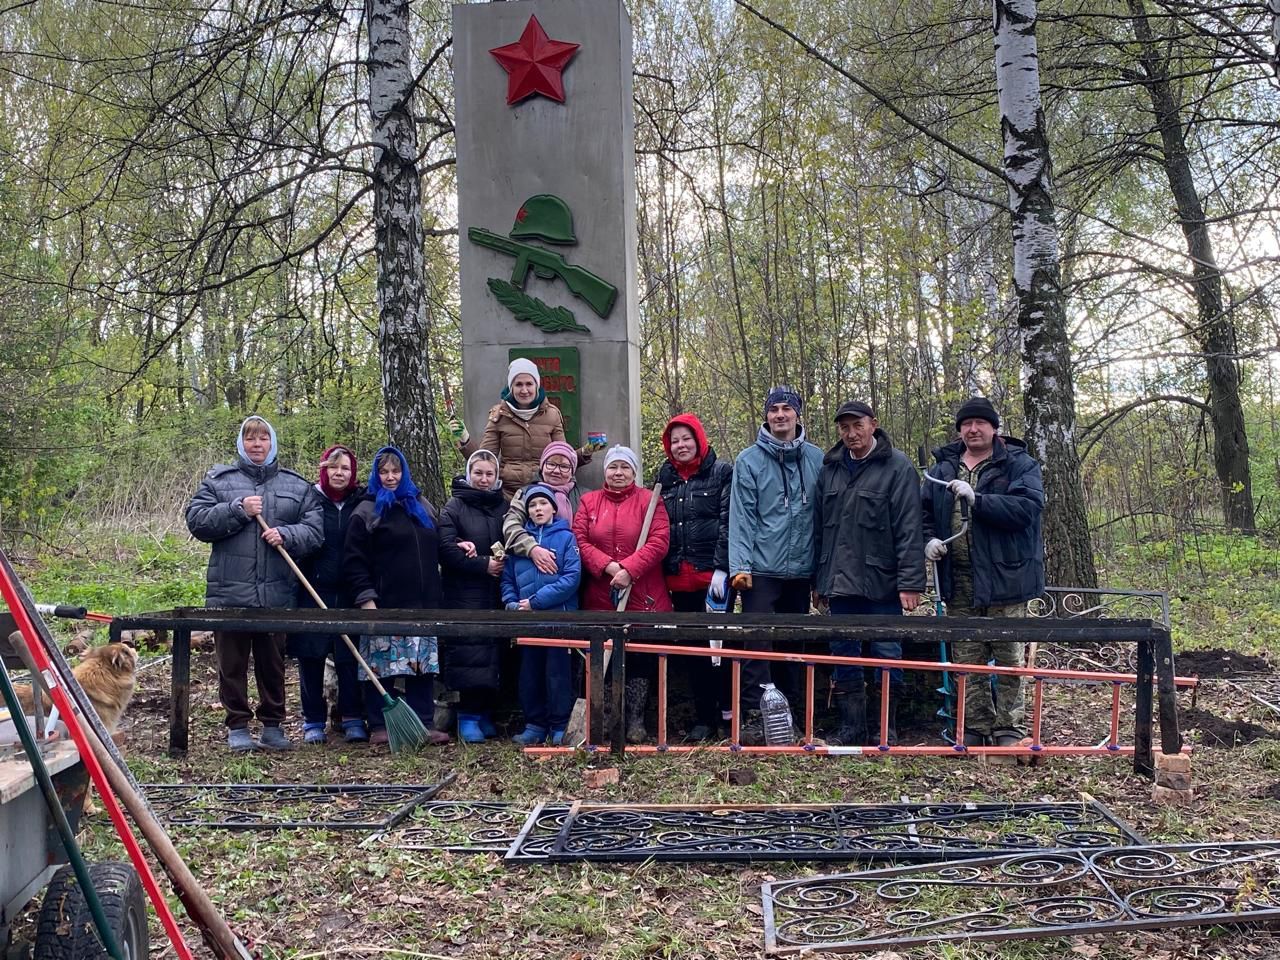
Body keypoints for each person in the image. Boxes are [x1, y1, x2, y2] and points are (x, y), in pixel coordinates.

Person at [186, 415, 323, 751]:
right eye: (250, 439)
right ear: (241, 444)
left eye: (263, 438)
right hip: (229, 593)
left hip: (276, 593)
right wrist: (237, 509)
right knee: (231, 664)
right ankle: (237, 726)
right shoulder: (220, 481)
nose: (257, 444)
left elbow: (316, 530)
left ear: (272, 443)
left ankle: (273, 725)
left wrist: (287, 534)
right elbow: (197, 521)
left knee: (272, 664)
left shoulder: (295, 485)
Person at [922, 397, 1045, 751]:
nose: (973, 430)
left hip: (1007, 579)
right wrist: (928, 540)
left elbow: (1027, 509)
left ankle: (1010, 727)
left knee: (1008, 656)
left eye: (980, 423)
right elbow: (925, 512)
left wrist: (979, 499)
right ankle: (974, 726)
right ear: (959, 429)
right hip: (958, 579)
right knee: (967, 657)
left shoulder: (1018, 465)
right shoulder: (943, 468)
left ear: (994, 427)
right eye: (966, 424)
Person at [813, 401, 925, 747]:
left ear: (873, 424)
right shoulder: (829, 468)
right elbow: (819, 528)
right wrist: (819, 581)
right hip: (839, 581)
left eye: (857, 425)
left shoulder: (898, 467)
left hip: (883, 581)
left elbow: (910, 528)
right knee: (844, 652)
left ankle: (885, 727)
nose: (851, 434)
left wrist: (910, 582)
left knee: (887, 652)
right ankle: (851, 727)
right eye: (844, 428)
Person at [727, 386, 823, 745]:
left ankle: (791, 714)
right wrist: (741, 565)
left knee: (793, 644)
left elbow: (823, 518)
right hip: (761, 569)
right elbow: (742, 517)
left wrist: (820, 575)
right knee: (757, 644)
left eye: (787, 409)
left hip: (802, 569)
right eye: (774, 410)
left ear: (798, 414)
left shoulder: (816, 459)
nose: (780, 415)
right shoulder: (749, 461)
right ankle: (755, 714)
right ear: (766, 416)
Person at [343, 446, 449, 746]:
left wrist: (462, 548)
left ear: (404, 472)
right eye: (384, 472)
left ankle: (423, 723)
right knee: (381, 664)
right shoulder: (366, 510)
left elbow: (438, 543)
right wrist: (365, 598)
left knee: (421, 664)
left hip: (424, 601)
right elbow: (354, 559)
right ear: (376, 475)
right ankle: (380, 724)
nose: (390, 477)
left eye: (395, 471)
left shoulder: (421, 505)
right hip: (384, 601)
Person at [572, 445, 672, 743]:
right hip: (601, 594)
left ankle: (636, 719)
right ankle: (603, 717)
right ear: (606, 472)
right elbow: (579, 539)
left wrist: (629, 569)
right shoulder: (589, 502)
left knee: (639, 658)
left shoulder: (650, 502)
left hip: (643, 593)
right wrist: (608, 566)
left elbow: (659, 540)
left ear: (633, 472)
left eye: (624, 467)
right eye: (613, 467)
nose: (618, 473)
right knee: (602, 657)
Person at [655, 413, 733, 741]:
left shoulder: (720, 473)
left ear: (698, 439)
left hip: (713, 579)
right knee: (693, 649)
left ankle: (730, 714)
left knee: (723, 648)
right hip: (679, 580)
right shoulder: (665, 479)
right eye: (675, 441)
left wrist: (722, 566)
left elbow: (729, 520)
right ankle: (704, 718)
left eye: (686, 438)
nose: (681, 445)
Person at [286, 445, 368, 745]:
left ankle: (352, 717)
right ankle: (313, 720)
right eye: (334, 467)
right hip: (313, 589)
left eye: (345, 468)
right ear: (324, 470)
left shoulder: (361, 501)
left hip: (350, 591)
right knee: (311, 655)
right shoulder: (310, 501)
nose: (339, 473)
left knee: (349, 656)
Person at [502, 484, 582, 745]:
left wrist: (536, 602)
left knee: (557, 674)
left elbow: (571, 578)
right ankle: (535, 724)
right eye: (533, 505)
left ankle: (559, 724)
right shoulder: (519, 543)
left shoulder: (566, 538)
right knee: (529, 673)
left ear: (554, 508)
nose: (538, 509)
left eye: (543, 504)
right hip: (526, 620)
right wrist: (512, 603)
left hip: (558, 618)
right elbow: (507, 578)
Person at [439, 450, 508, 743]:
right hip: (464, 593)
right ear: (469, 474)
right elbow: (445, 548)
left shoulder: (504, 506)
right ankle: (466, 716)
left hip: (498, 592)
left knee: (494, 652)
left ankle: (485, 714)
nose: (483, 479)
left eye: (489, 474)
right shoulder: (454, 507)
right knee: (469, 652)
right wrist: (483, 565)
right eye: (478, 473)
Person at [457, 359, 594, 498]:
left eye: (529, 384)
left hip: (544, 493)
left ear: (537, 385)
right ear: (511, 387)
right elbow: (484, 459)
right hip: (508, 494)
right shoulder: (499, 415)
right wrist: (465, 440)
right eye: (518, 384)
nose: (524, 390)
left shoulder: (552, 414)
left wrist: (586, 451)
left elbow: (563, 458)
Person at [502, 441, 583, 570]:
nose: (556, 471)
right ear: (542, 466)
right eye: (551, 464)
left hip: (574, 569)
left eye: (564, 466)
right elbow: (511, 525)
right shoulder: (525, 493)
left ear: (572, 470)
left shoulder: (583, 496)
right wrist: (531, 548)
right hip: (531, 567)